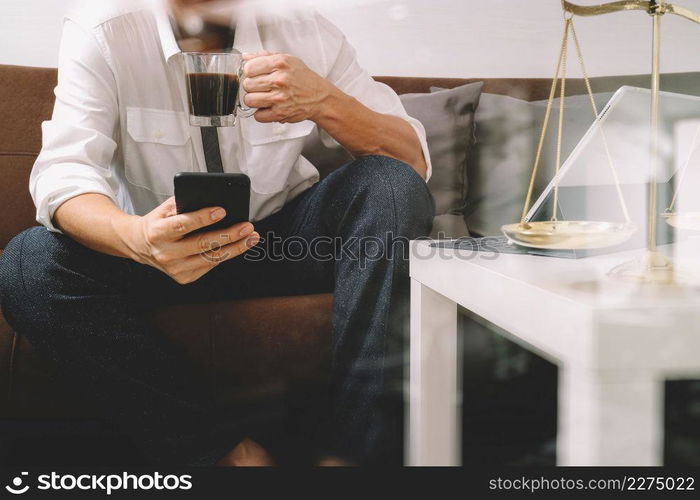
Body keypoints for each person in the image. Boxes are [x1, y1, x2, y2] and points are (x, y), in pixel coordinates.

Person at [0, 0, 434, 466]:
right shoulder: (105, 29)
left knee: (389, 185)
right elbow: (65, 172)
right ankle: (228, 455)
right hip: (159, 253)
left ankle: (357, 458)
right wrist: (139, 239)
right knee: (29, 263)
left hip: (282, 246)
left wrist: (325, 101)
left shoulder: (307, 29)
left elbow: (411, 163)